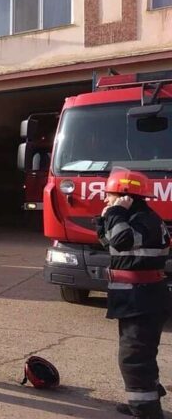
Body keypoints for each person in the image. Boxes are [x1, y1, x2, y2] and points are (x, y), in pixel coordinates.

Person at [96, 169, 170, 419]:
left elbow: (123, 240)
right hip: (136, 299)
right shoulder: (138, 217)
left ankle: (146, 410)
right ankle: (144, 401)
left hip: (142, 300)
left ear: (124, 195)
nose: (105, 199)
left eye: (110, 195)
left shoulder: (142, 220)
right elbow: (109, 242)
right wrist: (105, 218)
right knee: (140, 355)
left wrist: (116, 213)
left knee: (134, 358)